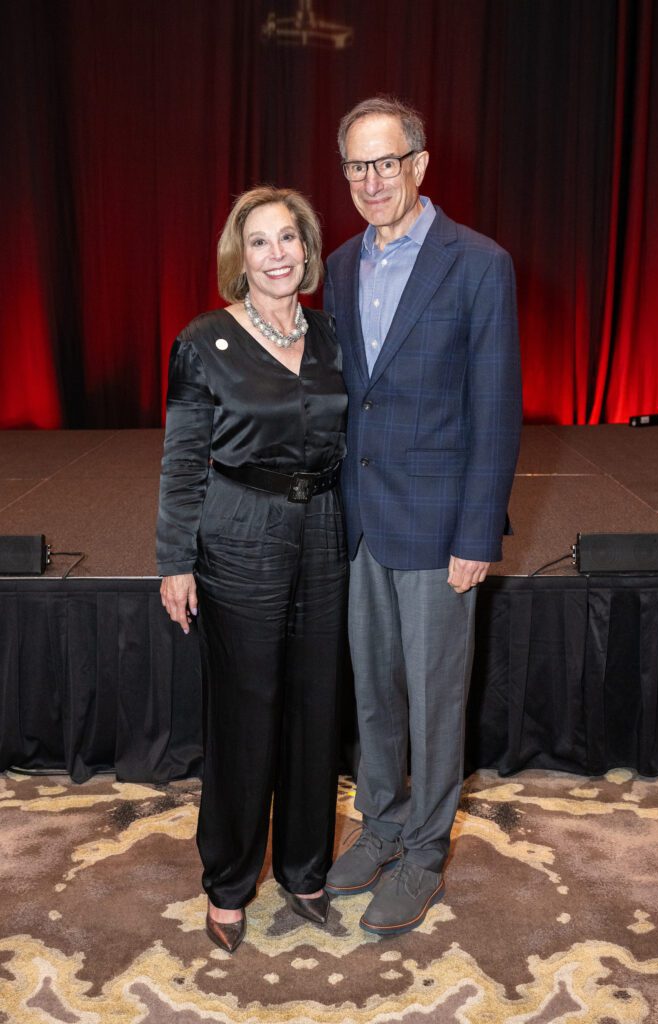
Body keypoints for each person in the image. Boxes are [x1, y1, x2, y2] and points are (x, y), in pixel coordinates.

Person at [324, 97, 522, 935]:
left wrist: (478, 533)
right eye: (356, 167)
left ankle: (425, 851)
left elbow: (495, 406)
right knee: (371, 693)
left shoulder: (477, 262)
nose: (372, 181)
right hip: (359, 518)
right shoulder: (336, 264)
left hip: (441, 528)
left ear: (420, 165)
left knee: (436, 700)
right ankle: (380, 823)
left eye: (386, 162)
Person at [157, 186, 347, 954]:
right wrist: (175, 560)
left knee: (316, 709)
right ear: (241, 256)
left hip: (325, 531)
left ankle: (304, 870)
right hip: (238, 532)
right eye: (260, 241)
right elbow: (180, 462)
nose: (277, 254)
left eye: (289, 239)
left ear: (306, 249)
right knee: (244, 715)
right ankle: (229, 882)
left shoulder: (333, 335)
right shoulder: (204, 340)